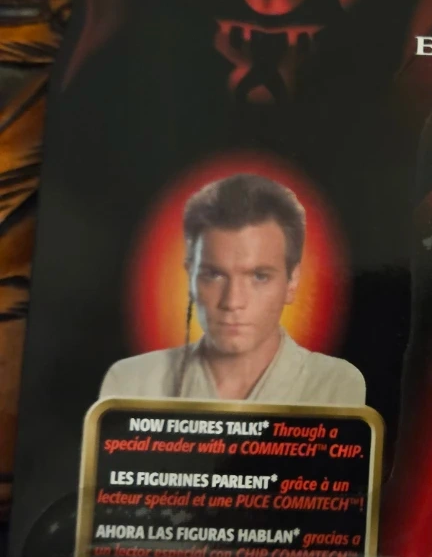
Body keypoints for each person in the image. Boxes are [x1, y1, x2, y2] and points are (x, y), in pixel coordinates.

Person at [100, 173, 366, 404]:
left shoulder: (335, 385)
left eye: (259, 276)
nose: (232, 301)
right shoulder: (131, 384)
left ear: (292, 282)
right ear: (190, 277)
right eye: (214, 275)